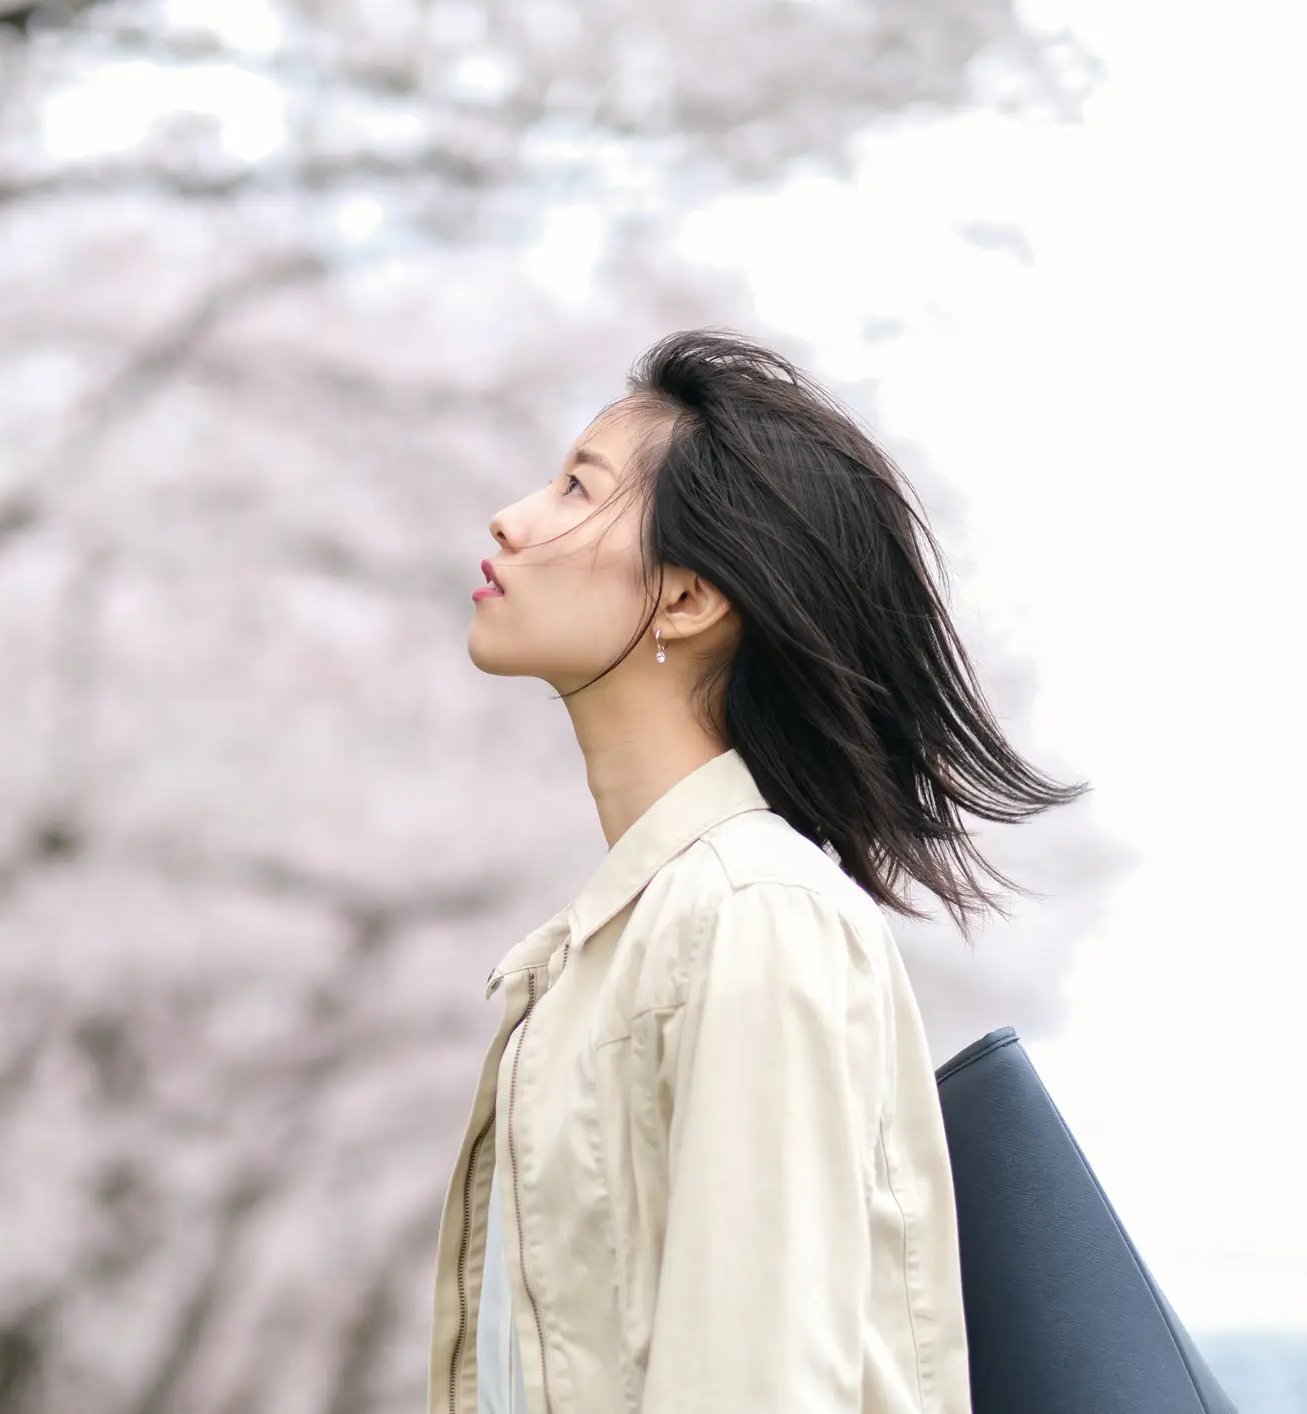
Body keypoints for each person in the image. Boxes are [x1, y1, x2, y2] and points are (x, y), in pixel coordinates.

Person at [429, 329, 1087, 1414]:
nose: (512, 515)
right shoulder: (620, 942)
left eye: (576, 487)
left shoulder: (755, 915)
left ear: (687, 600)